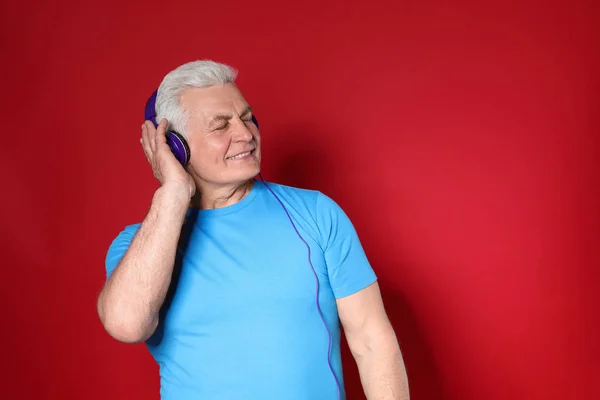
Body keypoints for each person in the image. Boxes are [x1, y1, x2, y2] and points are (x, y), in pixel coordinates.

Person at [97, 60, 410, 400]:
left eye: (246, 118)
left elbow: (372, 341)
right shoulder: (137, 245)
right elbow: (127, 325)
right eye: (221, 126)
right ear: (176, 147)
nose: (246, 134)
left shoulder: (316, 214)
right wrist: (173, 191)